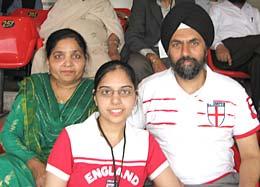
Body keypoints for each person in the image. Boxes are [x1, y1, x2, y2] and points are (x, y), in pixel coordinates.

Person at [128, 2, 260, 186]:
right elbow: (126, 142)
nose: (185, 52)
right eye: (176, 44)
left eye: (194, 43)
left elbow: (251, 155)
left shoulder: (232, 91)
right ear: (167, 49)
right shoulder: (147, 89)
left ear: (206, 47)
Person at [45, 60, 183, 187]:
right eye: (106, 92)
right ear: (95, 98)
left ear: (135, 98)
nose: (115, 100)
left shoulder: (144, 142)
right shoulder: (72, 138)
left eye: (124, 91)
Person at [0, 28, 96, 187]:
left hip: (77, 168)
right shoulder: (34, 87)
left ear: (85, 60)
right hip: (29, 164)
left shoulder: (96, 93)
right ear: (48, 61)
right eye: (59, 56)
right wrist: (35, 164)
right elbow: (9, 135)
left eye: (76, 56)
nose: (68, 63)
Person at [121, 0, 212, 83]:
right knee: (137, 64)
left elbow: (194, 30)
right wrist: (153, 58)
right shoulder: (142, 2)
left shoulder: (186, 1)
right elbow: (132, 35)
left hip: (177, 47)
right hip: (148, 49)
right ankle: (149, 98)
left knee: (191, 62)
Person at [31, 0, 124, 78]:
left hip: (94, 48)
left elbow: (115, 29)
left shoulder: (102, 3)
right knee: (40, 56)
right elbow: (48, 28)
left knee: (105, 63)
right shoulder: (63, 3)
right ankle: (38, 96)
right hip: (64, 46)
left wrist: (113, 48)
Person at [209, 0, 260, 116]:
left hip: (250, 56)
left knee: (258, 62)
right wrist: (219, 46)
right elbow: (208, 33)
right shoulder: (218, 8)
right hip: (227, 52)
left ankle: (258, 113)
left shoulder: (254, 11)